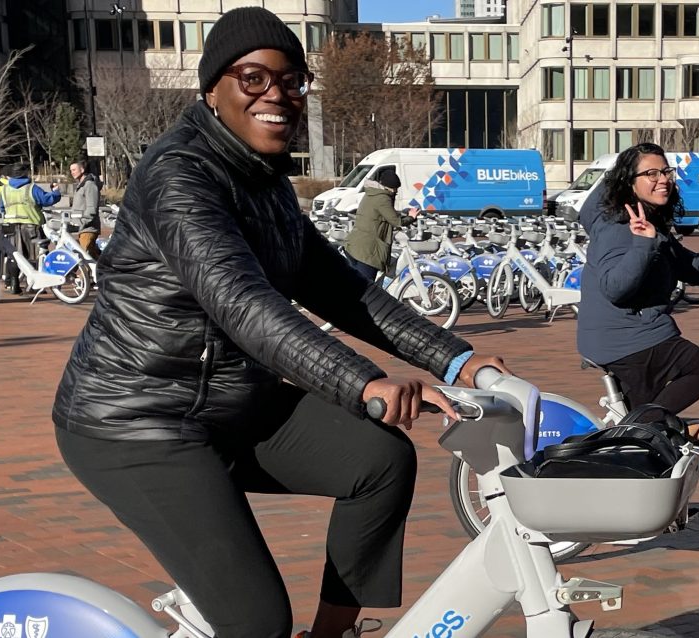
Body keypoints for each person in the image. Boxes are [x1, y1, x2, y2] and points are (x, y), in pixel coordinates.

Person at [52, 8, 507, 638]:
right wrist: (365, 384)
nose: (277, 95)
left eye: (292, 80)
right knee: (257, 621)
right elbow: (238, 301)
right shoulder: (177, 174)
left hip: (235, 406)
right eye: (253, 78)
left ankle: (331, 633)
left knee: (380, 461)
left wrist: (459, 359)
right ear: (212, 89)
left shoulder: (267, 184)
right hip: (137, 421)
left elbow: (341, 290)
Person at [577, 143, 699, 434]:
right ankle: (639, 428)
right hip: (627, 340)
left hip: (627, 336)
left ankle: (653, 432)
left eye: (665, 171)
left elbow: (688, 264)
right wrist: (643, 243)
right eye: (651, 173)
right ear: (630, 181)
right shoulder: (619, 226)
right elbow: (615, 288)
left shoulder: (644, 219)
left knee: (655, 436)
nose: (662, 179)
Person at [343, 167, 420, 281]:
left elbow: (386, 213)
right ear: (390, 188)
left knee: (356, 287)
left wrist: (402, 213)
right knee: (366, 290)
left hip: (354, 246)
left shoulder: (372, 194)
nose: (396, 192)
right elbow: (396, 221)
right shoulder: (383, 198)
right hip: (367, 251)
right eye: (395, 189)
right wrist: (412, 217)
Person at [0, 163, 61, 294]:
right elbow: (47, 200)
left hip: (11, 227)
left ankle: (14, 284)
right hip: (31, 226)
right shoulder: (31, 188)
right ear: (25, 174)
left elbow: (1, 208)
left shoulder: (4, 190)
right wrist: (56, 192)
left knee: (14, 256)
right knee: (35, 255)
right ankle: (33, 284)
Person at [69, 159, 103, 259]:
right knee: (92, 257)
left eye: (74, 170)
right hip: (82, 229)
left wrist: (81, 223)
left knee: (86, 259)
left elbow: (91, 209)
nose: (72, 173)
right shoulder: (81, 185)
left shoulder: (90, 185)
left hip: (88, 229)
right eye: (71, 170)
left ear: (82, 169)